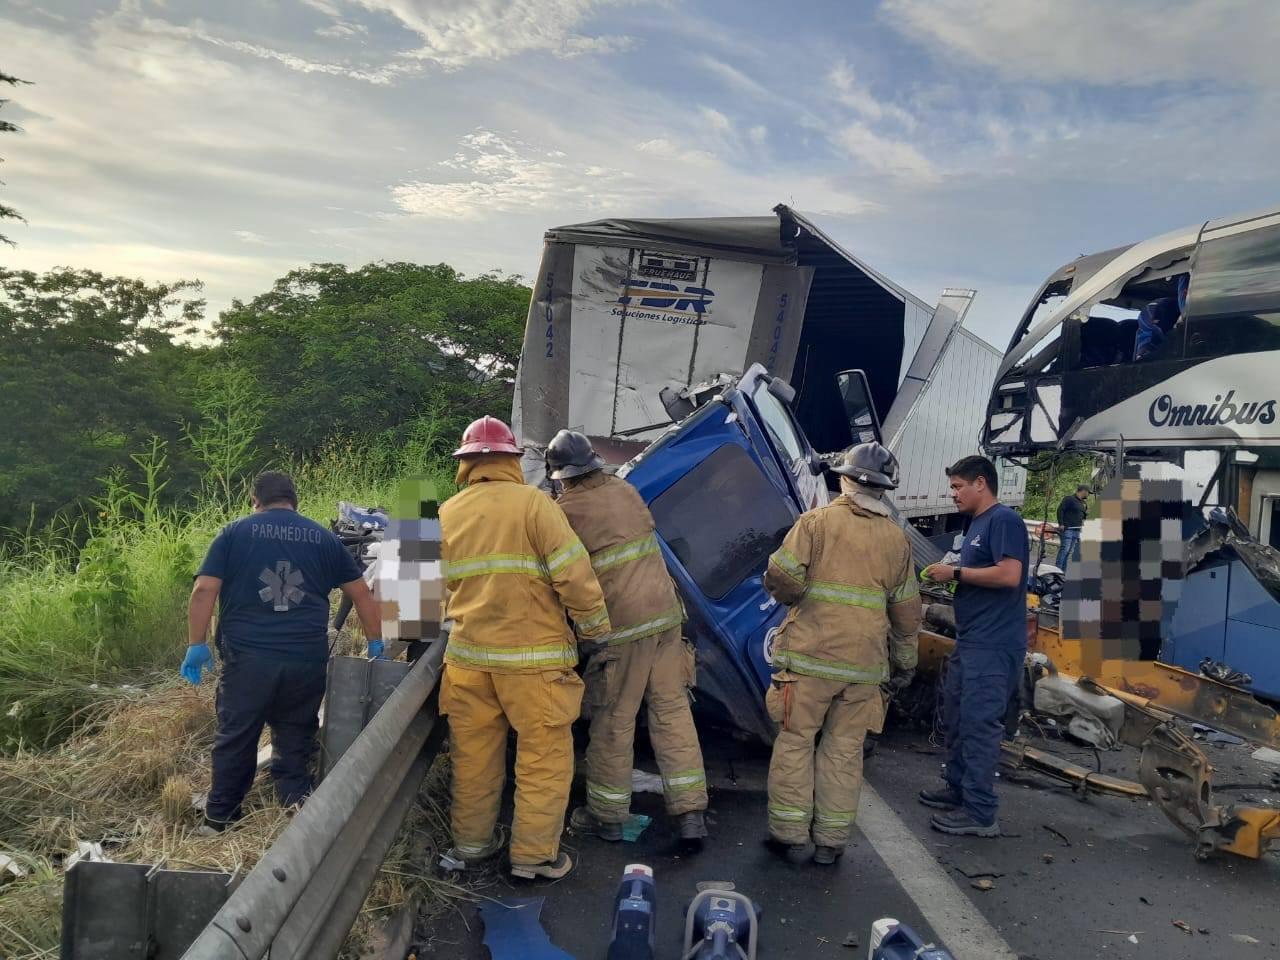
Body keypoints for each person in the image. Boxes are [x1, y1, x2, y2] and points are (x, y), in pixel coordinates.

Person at [438, 416, 611, 881]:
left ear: (466, 464)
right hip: (534, 666)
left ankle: (472, 846)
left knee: (474, 760)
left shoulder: (447, 512)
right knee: (543, 758)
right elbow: (574, 576)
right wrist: (595, 630)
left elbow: (425, 592)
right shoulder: (536, 505)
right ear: (512, 460)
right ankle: (533, 858)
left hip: (468, 663)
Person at [184, 470, 384, 835]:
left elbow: (204, 590)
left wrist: (196, 643)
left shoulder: (234, 533)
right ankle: (297, 813)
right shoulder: (324, 538)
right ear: (294, 501)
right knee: (296, 734)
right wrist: (375, 641)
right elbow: (361, 593)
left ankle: (220, 818)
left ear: (255, 501)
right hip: (306, 659)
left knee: (238, 736)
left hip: (249, 660)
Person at [546, 430, 709, 846]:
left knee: (614, 721)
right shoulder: (625, 491)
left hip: (623, 630)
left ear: (562, 475)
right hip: (667, 618)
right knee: (673, 714)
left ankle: (607, 816)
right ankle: (691, 813)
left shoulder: (566, 511)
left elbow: (559, 575)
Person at [762, 442, 921, 865]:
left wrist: (791, 595)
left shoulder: (815, 523)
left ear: (845, 480)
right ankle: (831, 842)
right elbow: (907, 612)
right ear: (883, 489)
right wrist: (905, 662)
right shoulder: (897, 540)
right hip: (864, 669)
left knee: (796, 741)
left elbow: (782, 578)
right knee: (844, 750)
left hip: (809, 662)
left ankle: (790, 834)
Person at [920, 455, 1029, 837]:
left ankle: (981, 813)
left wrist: (955, 572)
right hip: (971, 639)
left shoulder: (1004, 520)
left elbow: (1009, 574)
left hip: (994, 644)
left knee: (980, 724)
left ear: (980, 483)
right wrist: (952, 577)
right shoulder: (976, 524)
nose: (953, 494)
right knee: (956, 716)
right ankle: (958, 789)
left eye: (957, 486)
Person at [1054, 484, 1090, 569]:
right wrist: (1061, 524)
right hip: (1068, 529)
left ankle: (1062, 571)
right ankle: (1057, 569)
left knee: (1068, 552)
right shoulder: (1069, 499)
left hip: (1076, 530)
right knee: (1065, 549)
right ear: (1084, 491)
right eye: (1088, 492)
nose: (1088, 495)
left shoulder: (1083, 503)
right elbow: (1060, 510)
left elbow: (1083, 517)